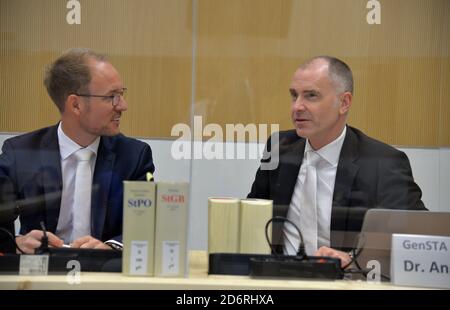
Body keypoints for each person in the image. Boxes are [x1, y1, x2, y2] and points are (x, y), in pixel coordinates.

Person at [248, 56, 426, 266]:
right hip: (278, 279)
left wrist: (353, 260)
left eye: (311, 96)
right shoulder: (279, 148)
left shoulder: (382, 163)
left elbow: (418, 240)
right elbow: (252, 218)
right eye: (294, 96)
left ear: (344, 102)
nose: (297, 107)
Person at [0, 48, 155, 254]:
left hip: (104, 275)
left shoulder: (134, 156)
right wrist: (17, 242)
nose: (123, 106)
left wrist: (110, 247)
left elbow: (147, 224)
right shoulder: (20, 153)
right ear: (76, 104)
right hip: (41, 273)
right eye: (112, 97)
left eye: (121, 94)